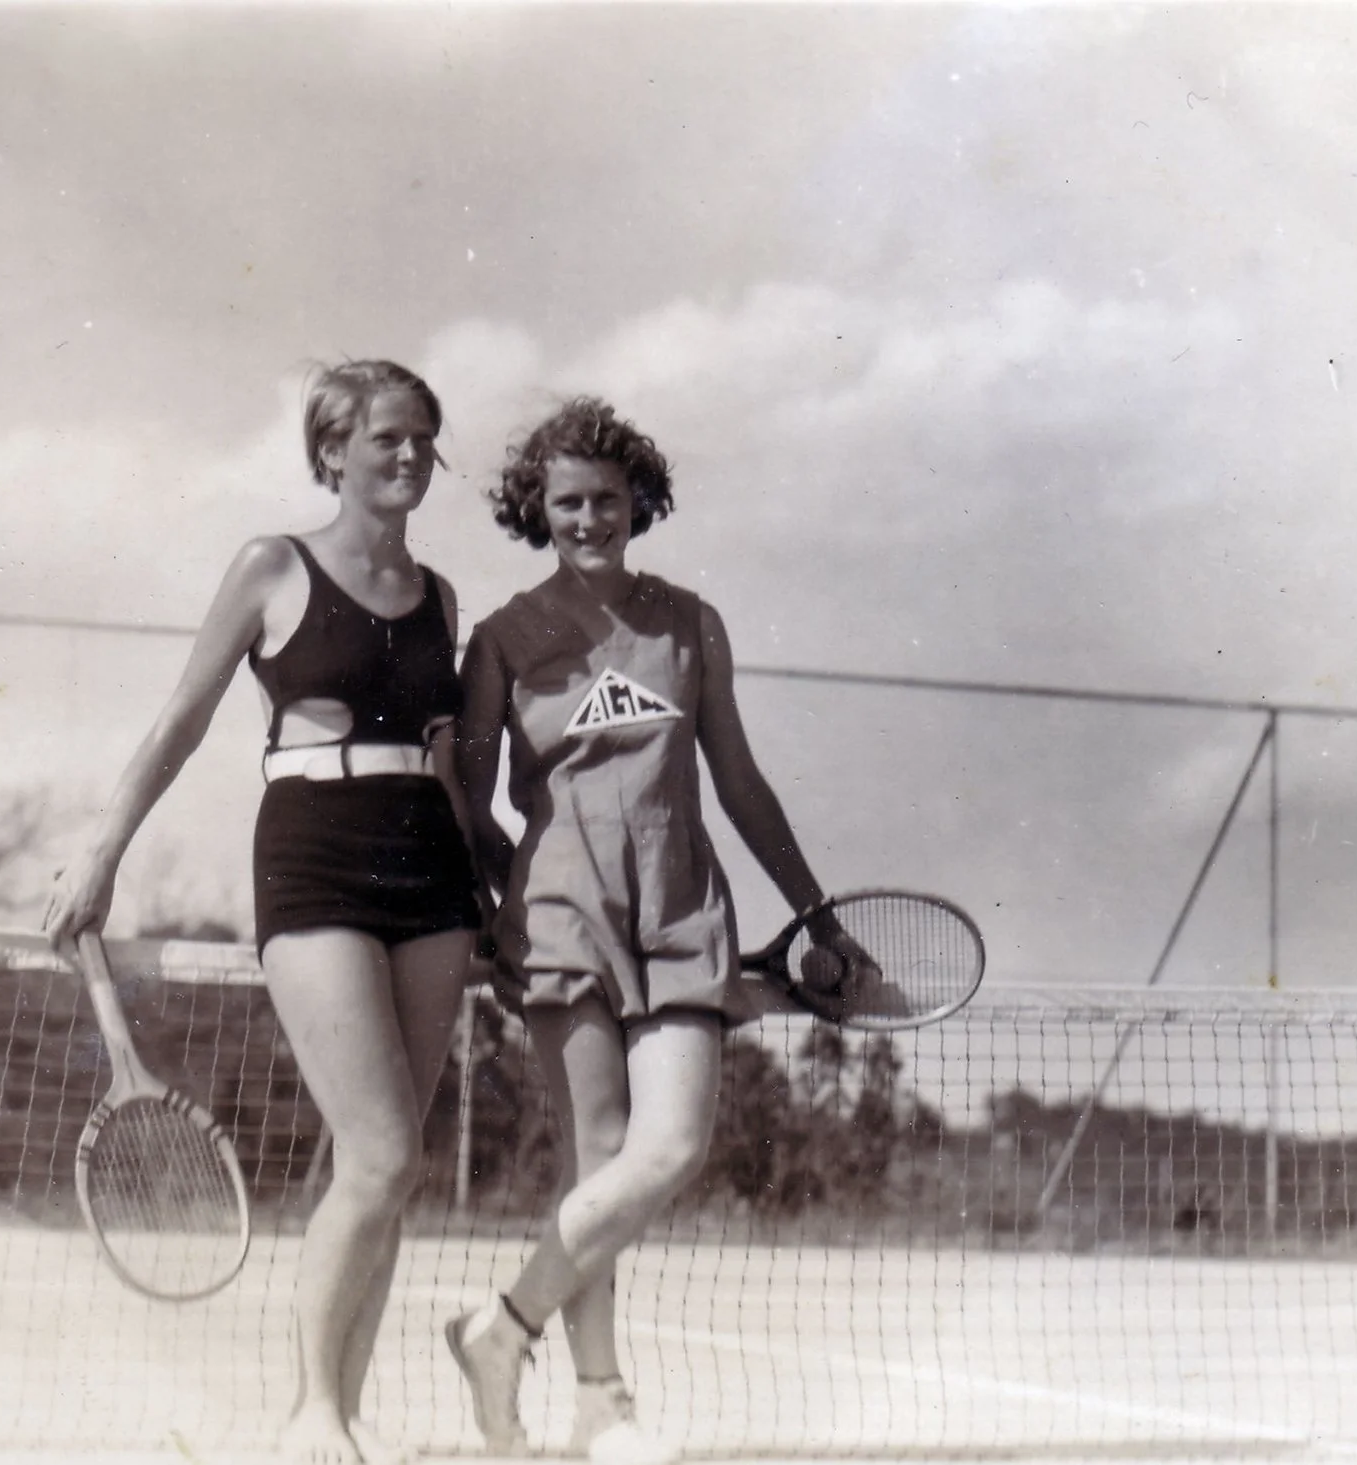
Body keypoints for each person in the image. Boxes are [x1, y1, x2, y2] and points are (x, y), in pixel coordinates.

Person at [45, 360, 481, 1465]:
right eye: (387, 436)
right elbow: (181, 720)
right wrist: (100, 856)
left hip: (429, 868)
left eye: (424, 438)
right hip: (313, 859)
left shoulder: (441, 597)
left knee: (389, 1166)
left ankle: (347, 1414)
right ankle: (309, 1415)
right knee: (381, 1157)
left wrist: (499, 891)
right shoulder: (270, 566)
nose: (409, 455)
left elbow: (452, 766)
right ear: (331, 450)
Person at [446, 397, 874, 1465]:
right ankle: (600, 1404)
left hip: (684, 905)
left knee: (668, 1146)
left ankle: (498, 1330)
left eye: (606, 499)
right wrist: (502, 908)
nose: (588, 518)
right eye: (565, 503)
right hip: (561, 912)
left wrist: (815, 912)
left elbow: (735, 778)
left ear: (639, 500)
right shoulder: (499, 639)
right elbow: (463, 801)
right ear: (534, 511)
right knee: (595, 1153)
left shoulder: (689, 621)